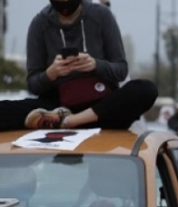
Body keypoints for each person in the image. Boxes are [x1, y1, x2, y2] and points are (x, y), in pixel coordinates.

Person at [0, 0, 157, 132]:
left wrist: (95, 64)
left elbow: (121, 70)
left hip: (100, 106)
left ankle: (69, 122)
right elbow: (33, 84)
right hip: (56, 106)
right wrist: (51, 73)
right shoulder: (39, 23)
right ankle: (62, 119)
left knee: (146, 89)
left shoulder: (101, 15)